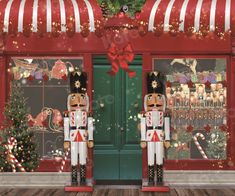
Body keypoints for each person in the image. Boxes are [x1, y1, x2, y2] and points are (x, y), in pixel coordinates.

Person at [63, 69, 94, 185]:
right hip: (72, 136)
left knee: (82, 157)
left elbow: (89, 126)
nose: (78, 105)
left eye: (81, 103)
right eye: (75, 103)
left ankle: (83, 179)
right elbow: (67, 126)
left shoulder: (87, 114)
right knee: (74, 158)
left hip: (83, 135)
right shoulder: (68, 114)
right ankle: (74, 179)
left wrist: (90, 138)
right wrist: (66, 139)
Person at [140, 71, 170, 185]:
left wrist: (167, 138)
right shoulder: (145, 115)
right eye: (151, 101)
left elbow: (166, 126)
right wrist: (143, 139)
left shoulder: (164, 114)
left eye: (158, 100)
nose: (155, 103)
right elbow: (143, 126)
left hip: (160, 135)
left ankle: (160, 178)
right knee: (150, 157)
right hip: (150, 135)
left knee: (159, 157)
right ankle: (151, 178)